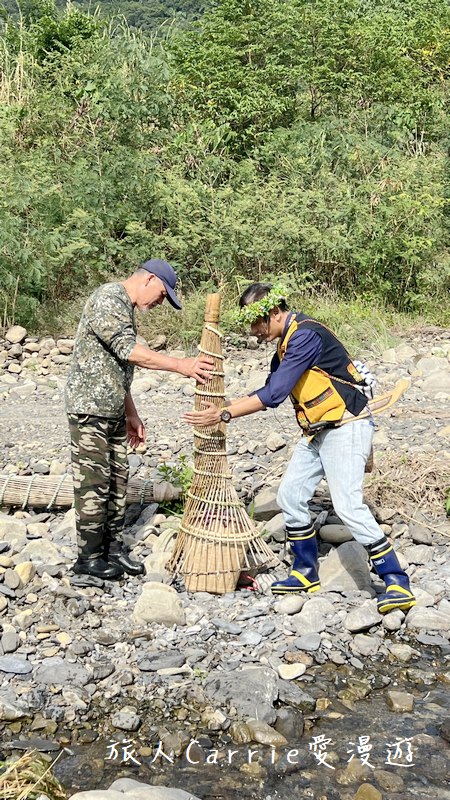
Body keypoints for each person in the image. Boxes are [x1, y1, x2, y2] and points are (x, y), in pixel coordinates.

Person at [182, 282, 416, 614]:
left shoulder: (305, 335)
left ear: (274, 313)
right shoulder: (284, 342)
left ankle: (396, 581)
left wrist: (224, 413)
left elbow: (275, 395)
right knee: (290, 495)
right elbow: (269, 387)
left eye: (257, 325)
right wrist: (230, 403)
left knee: (348, 505)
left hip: (345, 425)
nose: (255, 334)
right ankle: (305, 572)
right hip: (318, 430)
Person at [65, 259, 213, 580]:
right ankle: (88, 558)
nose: (160, 302)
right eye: (162, 294)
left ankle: (113, 549)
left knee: (118, 482)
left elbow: (118, 364)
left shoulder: (125, 307)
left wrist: (131, 412)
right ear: (148, 280)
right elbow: (129, 350)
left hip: (113, 407)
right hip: (90, 407)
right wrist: (182, 365)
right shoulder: (108, 297)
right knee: (93, 484)